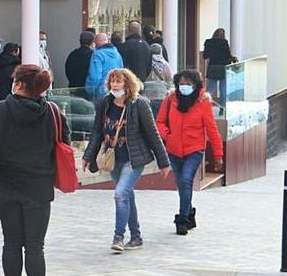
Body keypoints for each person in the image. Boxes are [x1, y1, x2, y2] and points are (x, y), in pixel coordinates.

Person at [0, 64, 70, 276]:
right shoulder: (52, 113)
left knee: (11, 242)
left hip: (6, 185)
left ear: (19, 84)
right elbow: (64, 145)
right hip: (39, 186)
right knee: (34, 244)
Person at [82, 68, 170, 253]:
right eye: (112, 81)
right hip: (113, 158)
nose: (115, 85)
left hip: (134, 159)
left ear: (128, 85)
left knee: (120, 194)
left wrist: (163, 162)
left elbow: (153, 134)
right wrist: (88, 156)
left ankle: (118, 237)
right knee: (127, 195)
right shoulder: (104, 104)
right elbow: (97, 132)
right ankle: (136, 236)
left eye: (119, 82)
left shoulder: (140, 105)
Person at [156, 70, 223, 235]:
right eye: (182, 84)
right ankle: (190, 213)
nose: (184, 87)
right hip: (174, 149)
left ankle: (182, 219)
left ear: (195, 85)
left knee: (186, 181)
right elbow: (160, 121)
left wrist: (218, 155)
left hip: (194, 150)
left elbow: (212, 129)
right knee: (181, 185)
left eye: (188, 84)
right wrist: (167, 136)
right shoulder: (170, 99)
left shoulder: (203, 102)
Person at [86, 33, 124, 100]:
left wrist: (88, 90)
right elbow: (122, 72)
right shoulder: (117, 54)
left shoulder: (97, 54)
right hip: (115, 92)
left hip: (101, 93)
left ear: (97, 42)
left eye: (95, 42)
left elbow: (95, 77)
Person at [202, 28, 234, 106]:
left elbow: (205, 56)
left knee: (210, 89)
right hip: (223, 67)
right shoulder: (224, 42)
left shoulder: (208, 42)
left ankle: (205, 106)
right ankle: (222, 108)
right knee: (223, 90)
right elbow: (228, 55)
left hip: (213, 67)